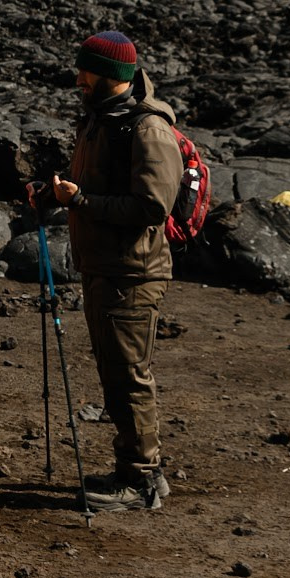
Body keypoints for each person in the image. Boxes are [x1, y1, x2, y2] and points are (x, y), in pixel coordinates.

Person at [45, 31, 185, 513]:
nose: (78, 79)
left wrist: (80, 201)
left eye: (86, 71)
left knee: (128, 375)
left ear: (112, 76)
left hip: (132, 273)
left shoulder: (146, 129)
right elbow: (95, 185)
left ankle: (140, 482)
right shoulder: (101, 119)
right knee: (117, 372)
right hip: (107, 267)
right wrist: (55, 195)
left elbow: (151, 205)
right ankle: (143, 472)